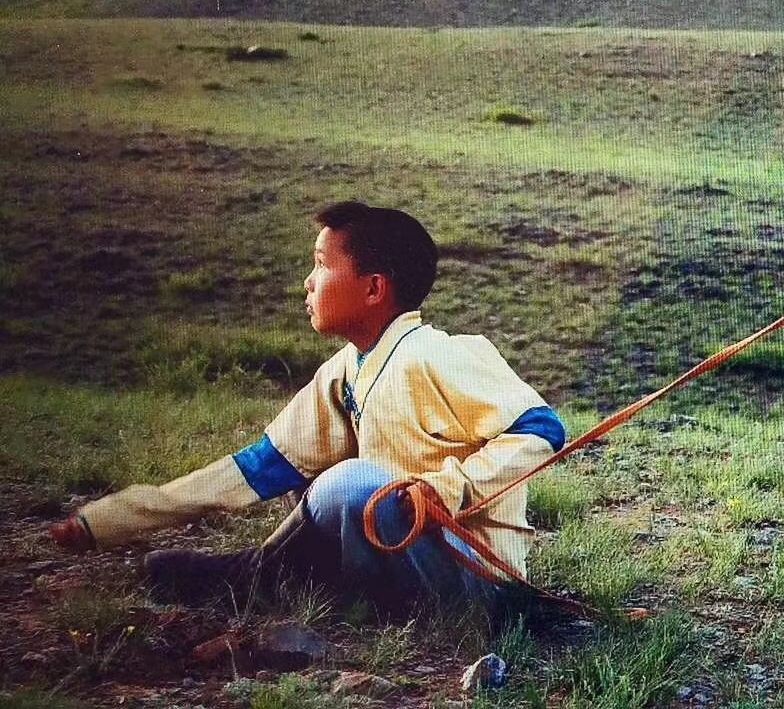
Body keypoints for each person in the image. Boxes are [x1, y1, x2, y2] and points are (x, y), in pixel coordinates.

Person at [50, 201, 567, 620]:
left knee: (349, 483)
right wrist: (106, 520)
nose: (307, 281)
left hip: (477, 583)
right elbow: (258, 469)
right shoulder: (345, 371)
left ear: (373, 288)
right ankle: (265, 579)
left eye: (321, 264)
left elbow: (542, 429)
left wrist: (448, 487)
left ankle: (249, 579)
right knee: (320, 480)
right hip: (404, 568)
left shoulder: (440, 352)